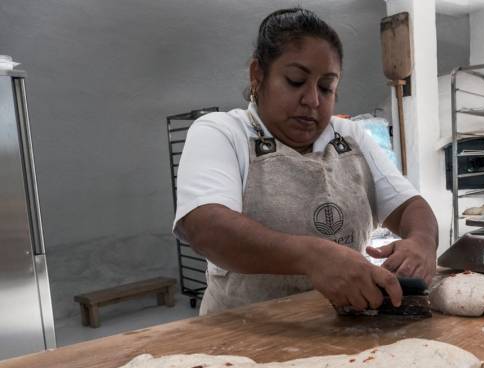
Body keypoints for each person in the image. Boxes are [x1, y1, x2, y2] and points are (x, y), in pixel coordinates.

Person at [173, 8, 438, 316]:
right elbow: (206, 227)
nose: (312, 100)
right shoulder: (223, 132)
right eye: (295, 81)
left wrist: (421, 241)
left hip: (345, 330)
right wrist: (313, 257)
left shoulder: (350, 138)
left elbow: (410, 207)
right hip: (245, 333)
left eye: (326, 87)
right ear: (258, 74)